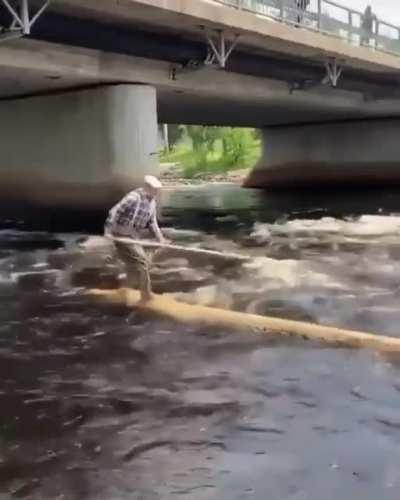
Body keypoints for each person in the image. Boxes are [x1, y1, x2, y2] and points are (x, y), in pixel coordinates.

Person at [104, 175, 166, 303]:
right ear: (146, 187)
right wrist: (108, 231)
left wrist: (160, 238)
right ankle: (146, 297)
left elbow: (152, 222)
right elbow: (114, 211)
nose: (156, 192)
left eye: (157, 190)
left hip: (133, 236)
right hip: (121, 234)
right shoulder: (133, 198)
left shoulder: (152, 202)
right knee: (142, 262)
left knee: (135, 266)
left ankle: (124, 291)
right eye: (154, 189)